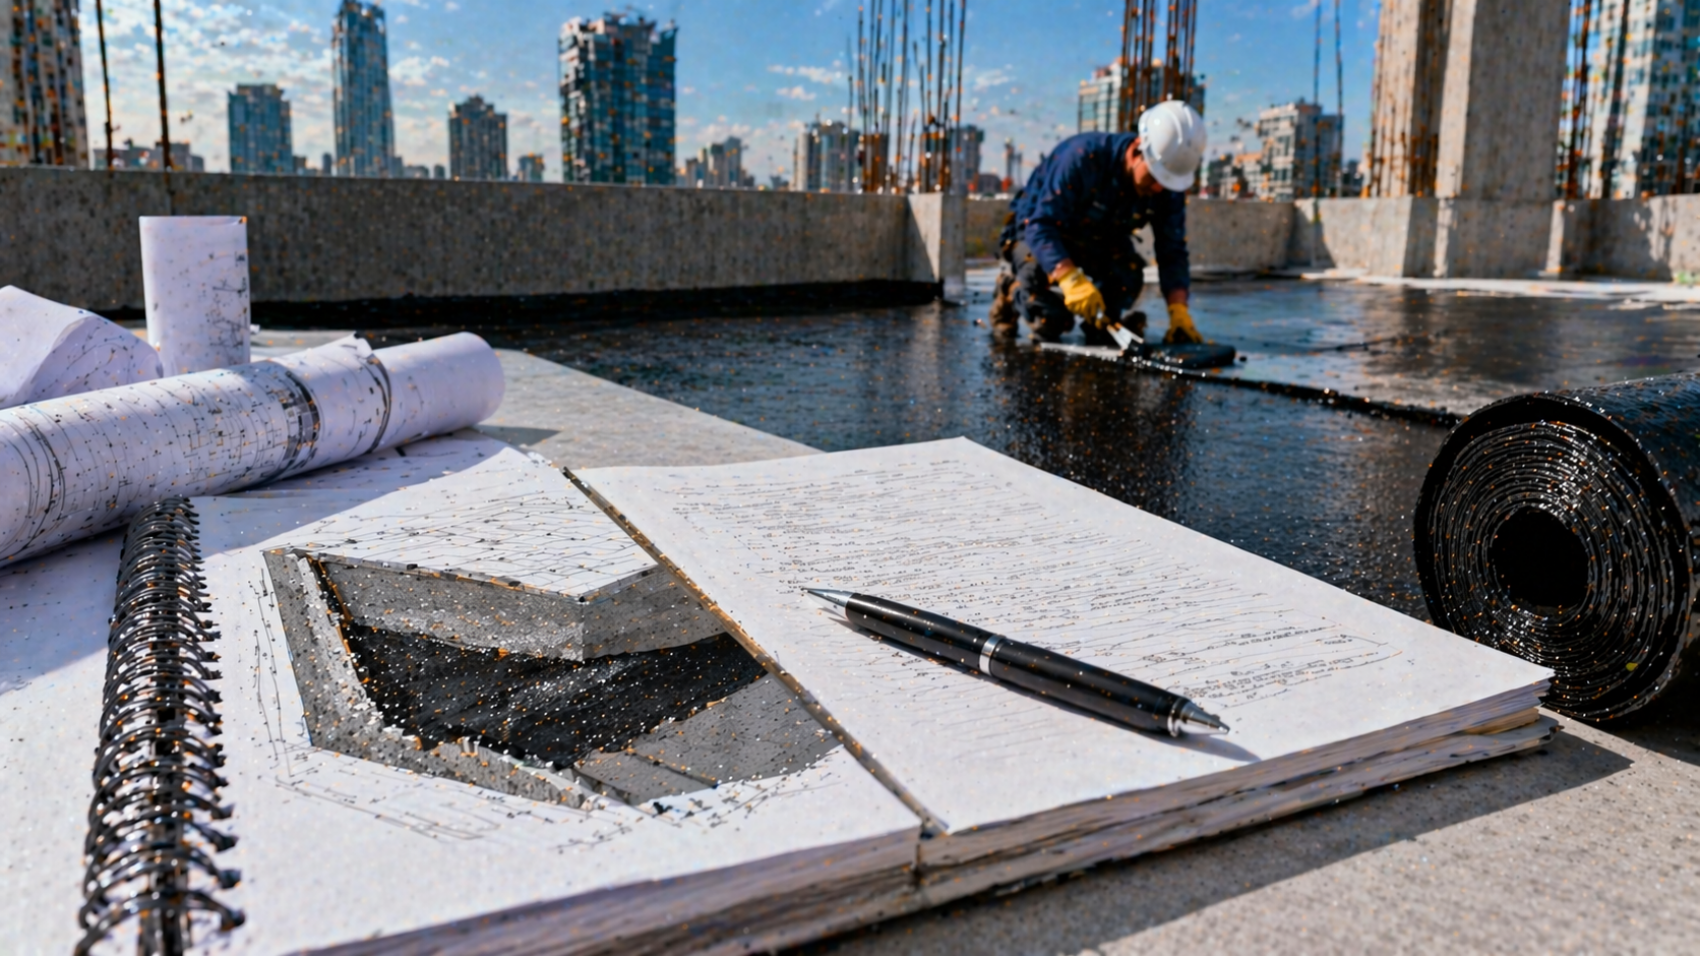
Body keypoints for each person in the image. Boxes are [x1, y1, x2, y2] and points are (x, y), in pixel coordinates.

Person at [990, 101, 1208, 346]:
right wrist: (1070, 278)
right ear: (1137, 148)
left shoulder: (1167, 186)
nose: (1158, 188)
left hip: (1097, 238)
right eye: (1154, 177)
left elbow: (1172, 250)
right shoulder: (1084, 157)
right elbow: (1040, 225)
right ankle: (1012, 289)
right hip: (1038, 233)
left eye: (1165, 182)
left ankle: (1101, 322)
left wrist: (1178, 310)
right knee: (1052, 320)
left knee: (1127, 277)